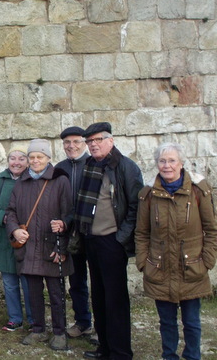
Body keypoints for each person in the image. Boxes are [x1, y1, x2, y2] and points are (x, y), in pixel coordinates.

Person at [135, 142, 217, 360]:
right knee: (166, 322)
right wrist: (143, 262)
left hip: (192, 269)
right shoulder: (148, 195)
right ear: (157, 164)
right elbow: (141, 233)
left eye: (171, 161)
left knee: (191, 322)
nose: (167, 165)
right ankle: (168, 356)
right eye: (162, 161)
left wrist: (207, 261)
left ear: (181, 163)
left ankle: (192, 356)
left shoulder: (199, 191)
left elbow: (211, 229)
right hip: (159, 270)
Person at [74, 122, 143, 360]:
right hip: (91, 240)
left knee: (116, 299)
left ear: (110, 140)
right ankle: (104, 348)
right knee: (99, 297)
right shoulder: (90, 165)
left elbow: (136, 207)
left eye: (97, 140)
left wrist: (120, 238)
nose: (93, 145)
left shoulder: (125, 167)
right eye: (89, 142)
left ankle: (121, 352)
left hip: (112, 242)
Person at [6, 139, 72, 351]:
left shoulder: (60, 181)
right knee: (33, 292)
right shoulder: (21, 182)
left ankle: (60, 332)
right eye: (32, 157)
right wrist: (15, 230)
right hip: (29, 247)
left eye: (39, 157)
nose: (35, 161)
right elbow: (11, 212)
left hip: (51, 247)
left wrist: (62, 247)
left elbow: (68, 214)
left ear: (48, 158)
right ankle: (38, 329)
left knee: (56, 293)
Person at [0, 145, 34, 332]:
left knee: (29, 282)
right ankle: (15, 318)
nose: (16, 162)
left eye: (21, 158)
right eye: (13, 158)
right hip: (5, 240)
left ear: (27, 161)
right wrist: (5, 218)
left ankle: (35, 320)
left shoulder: (33, 180)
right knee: (10, 283)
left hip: (28, 240)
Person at [54, 126, 95, 341]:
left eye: (76, 142)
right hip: (70, 234)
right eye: (67, 143)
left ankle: (101, 326)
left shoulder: (94, 164)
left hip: (94, 232)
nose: (71, 146)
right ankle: (82, 322)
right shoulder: (59, 168)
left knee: (99, 282)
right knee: (76, 281)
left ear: (85, 143)